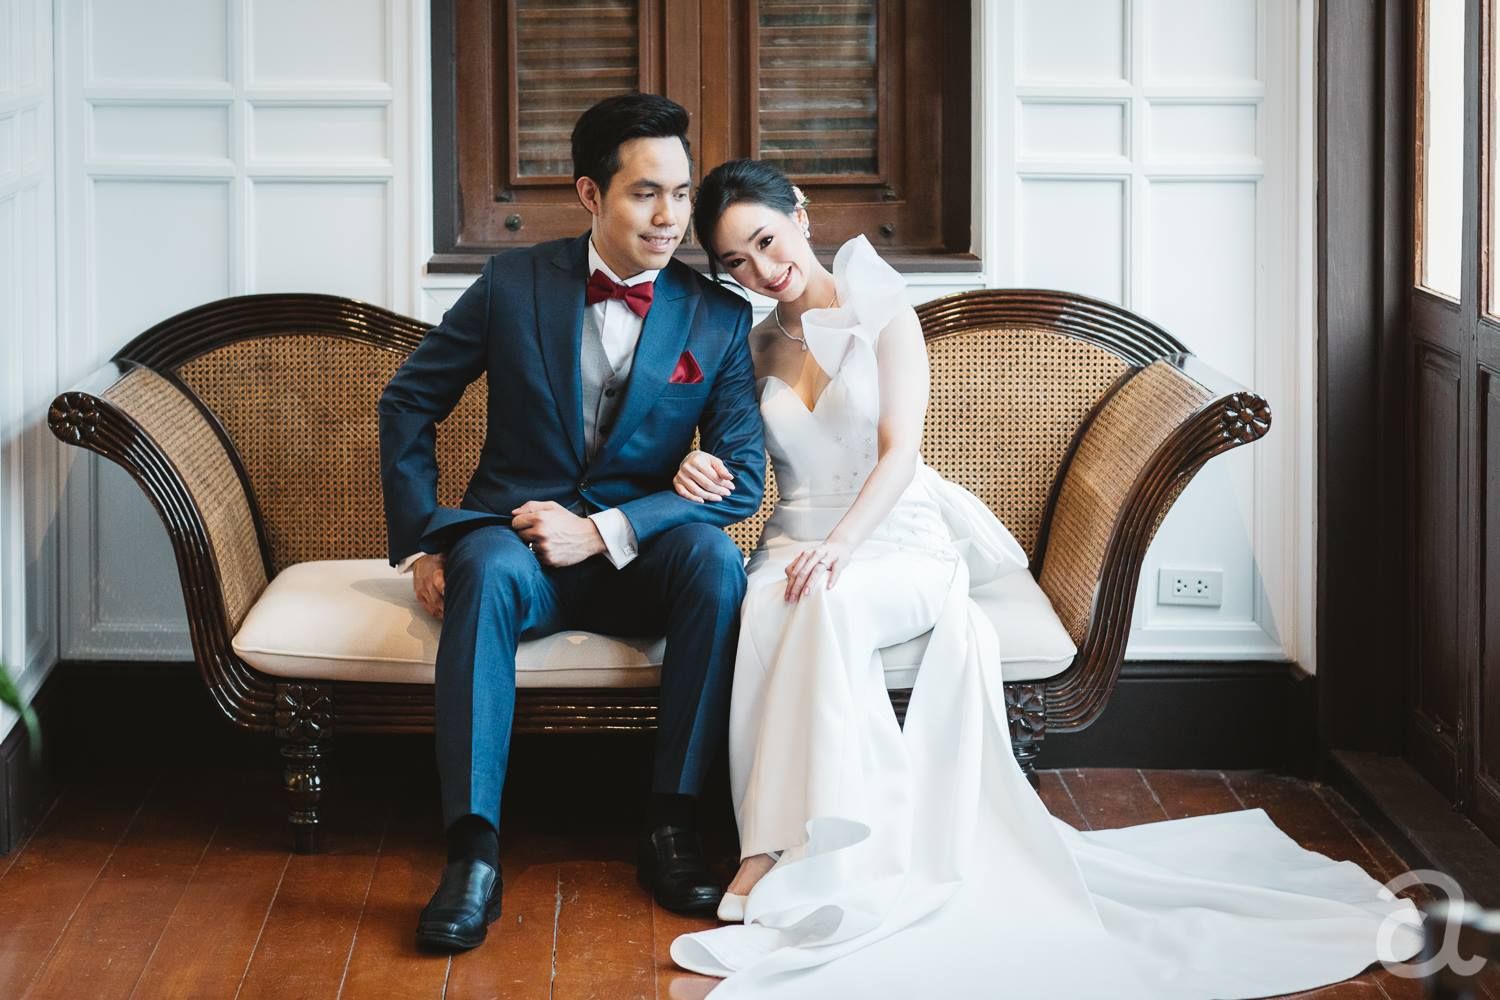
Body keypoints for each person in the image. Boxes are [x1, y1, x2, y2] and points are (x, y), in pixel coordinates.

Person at [665, 157, 1425, 998]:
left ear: (801, 215)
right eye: (735, 261)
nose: (762, 269)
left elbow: (900, 453)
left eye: (767, 240)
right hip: (793, 539)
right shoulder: (752, 342)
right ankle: (765, 841)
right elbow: (734, 458)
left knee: (827, 606)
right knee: (762, 608)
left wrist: (844, 546)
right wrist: (693, 468)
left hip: (894, 537)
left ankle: (819, 851)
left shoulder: (886, 315)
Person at [377, 95, 765, 952]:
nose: (669, 218)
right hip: (515, 546)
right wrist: (426, 538)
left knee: (714, 563)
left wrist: (606, 529)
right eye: (644, 193)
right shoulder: (512, 283)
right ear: (590, 193)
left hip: (643, 557)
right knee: (483, 567)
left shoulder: (719, 316)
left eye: (680, 193)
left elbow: (742, 479)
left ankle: (671, 827)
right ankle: (472, 854)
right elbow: (408, 402)